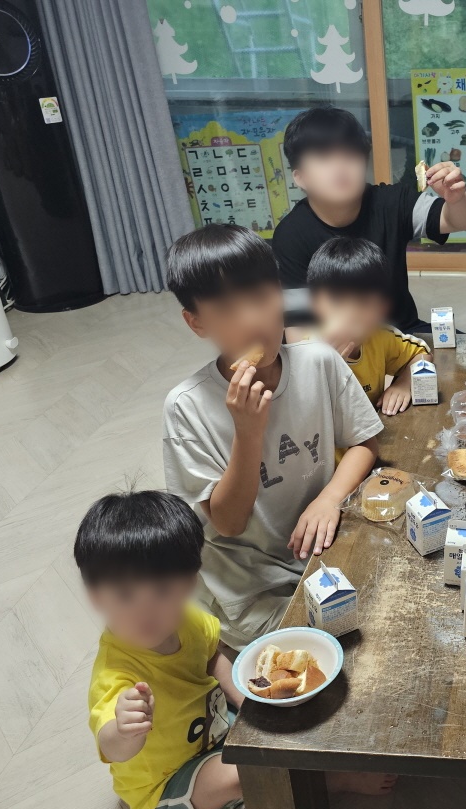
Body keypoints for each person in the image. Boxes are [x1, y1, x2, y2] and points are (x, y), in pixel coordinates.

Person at [162, 224, 382, 649]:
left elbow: (365, 442)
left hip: (320, 544)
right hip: (250, 583)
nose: (252, 319)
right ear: (197, 322)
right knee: (327, 654)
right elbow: (228, 523)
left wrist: (329, 498)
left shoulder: (318, 361)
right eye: (226, 308)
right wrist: (247, 433)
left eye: (262, 297)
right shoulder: (186, 407)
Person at [80, 490, 245, 809]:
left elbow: (213, 657)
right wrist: (124, 730)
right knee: (244, 774)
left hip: (212, 727)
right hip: (165, 781)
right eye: (125, 595)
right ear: (97, 597)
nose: (146, 611)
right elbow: (112, 747)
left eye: (162, 591)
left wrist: (247, 701)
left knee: (275, 717)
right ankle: (325, 782)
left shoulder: (190, 620)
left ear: (190, 582)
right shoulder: (115, 673)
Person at [271, 106, 466, 333]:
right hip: (335, 342)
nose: (340, 168)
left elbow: (457, 221)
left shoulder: (393, 201)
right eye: (324, 158)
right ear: (301, 177)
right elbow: (297, 329)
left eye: (350, 156)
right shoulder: (290, 236)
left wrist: (456, 198)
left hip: (403, 334)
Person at [295, 235, 431, 416]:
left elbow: (421, 355)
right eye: (337, 300)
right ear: (315, 303)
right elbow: (301, 409)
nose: (351, 314)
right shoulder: (307, 351)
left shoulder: (381, 336)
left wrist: (404, 383)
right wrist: (324, 365)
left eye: (364, 301)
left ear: (381, 307)